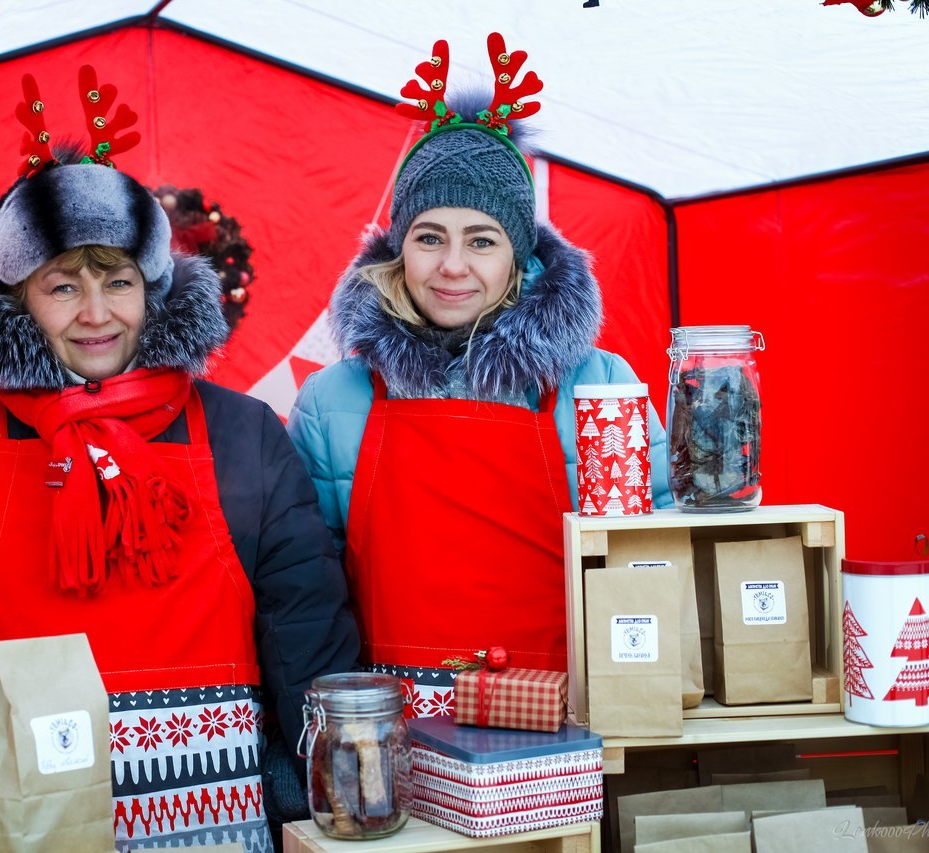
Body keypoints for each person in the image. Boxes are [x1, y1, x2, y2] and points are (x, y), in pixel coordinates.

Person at [0, 67, 358, 853]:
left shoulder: (245, 435)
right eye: (62, 286)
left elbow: (309, 646)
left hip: (213, 831)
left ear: (153, 290)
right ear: (16, 298)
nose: (96, 314)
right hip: (7, 828)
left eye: (118, 282)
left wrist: (313, 803)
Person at [287, 34, 672, 717]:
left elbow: (653, 564)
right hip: (397, 741)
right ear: (397, 248)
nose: (453, 266)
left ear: (520, 256)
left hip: (569, 725)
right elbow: (310, 600)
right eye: (429, 237)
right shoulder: (332, 401)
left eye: (482, 240)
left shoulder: (600, 385)